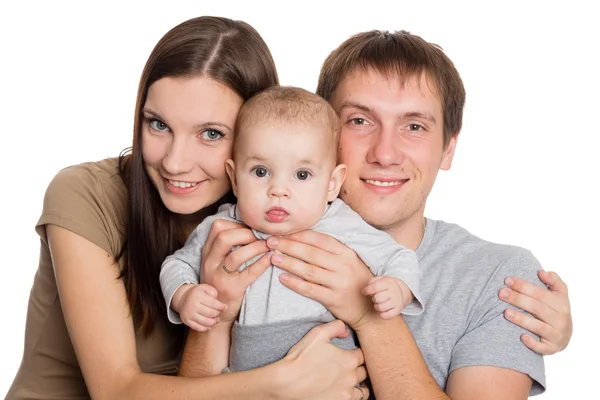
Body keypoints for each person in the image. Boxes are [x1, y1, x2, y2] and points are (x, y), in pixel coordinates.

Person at [180, 29, 573, 398]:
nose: (384, 153)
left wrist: (368, 315)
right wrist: (217, 317)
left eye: (414, 126)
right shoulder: (238, 236)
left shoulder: (499, 278)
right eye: (360, 121)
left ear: (449, 149)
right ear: (324, 136)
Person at [6, 16, 368, 400]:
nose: (175, 162)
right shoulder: (83, 194)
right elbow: (115, 391)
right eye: (158, 125)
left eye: (211, 134)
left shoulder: (279, 209)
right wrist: (283, 383)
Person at [159, 86, 423, 372]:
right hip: (244, 381)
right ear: (234, 178)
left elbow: (398, 257)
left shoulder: (341, 224)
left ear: (332, 183)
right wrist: (185, 295)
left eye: (302, 175)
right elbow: (175, 264)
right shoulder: (222, 228)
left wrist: (397, 287)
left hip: (328, 380)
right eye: (261, 172)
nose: (279, 190)